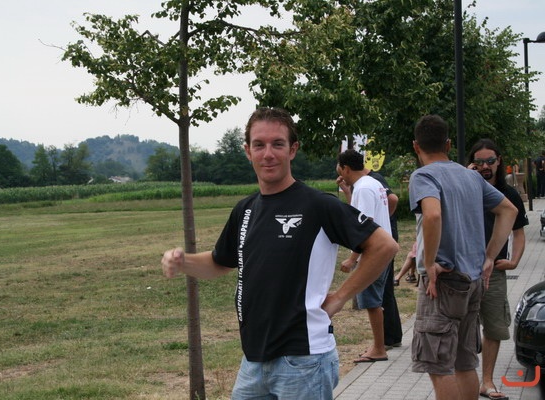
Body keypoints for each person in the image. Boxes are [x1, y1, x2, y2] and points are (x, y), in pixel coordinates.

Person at [161, 107, 399, 399]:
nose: (268, 154)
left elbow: (384, 246)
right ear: (248, 151)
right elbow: (219, 262)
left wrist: (340, 298)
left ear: (292, 149)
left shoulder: (317, 205)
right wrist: (183, 261)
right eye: (259, 145)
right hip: (253, 360)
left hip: (304, 359)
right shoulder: (245, 210)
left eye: (277, 144)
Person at [408, 115, 517, 400]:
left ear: (416, 146)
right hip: (473, 281)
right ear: (448, 144)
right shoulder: (471, 176)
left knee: (438, 364)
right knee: (465, 362)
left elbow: (432, 214)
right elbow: (509, 211)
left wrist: (429, 263)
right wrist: (490, 257)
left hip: (443, 283)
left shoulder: (423, 176)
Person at [468, 139, 529, 400]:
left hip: (494, 272)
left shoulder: (509, 194)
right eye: (479, 162)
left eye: (490, 161)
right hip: (464, 270)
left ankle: (487, 381)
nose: (485, 166)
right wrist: (466, 178)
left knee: (493, 326)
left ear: (499, 161)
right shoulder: (465, 190)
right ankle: (466, 380)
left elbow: (519, 233)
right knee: (463, 327)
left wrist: (514, 261)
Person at [336, 153, 403, 350]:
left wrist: (352, 258)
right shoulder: (372, 183)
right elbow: (361, 214)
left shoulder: (363, 188)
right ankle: (381, 344)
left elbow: (365, 225)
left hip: (374, 252)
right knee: (378, 299)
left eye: (340, 170)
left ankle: (378, 348)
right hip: (384, 249)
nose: (340, 175)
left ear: (346, 168)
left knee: (372, 301)